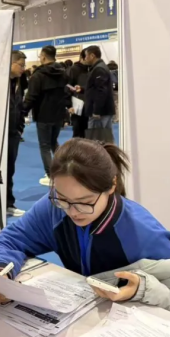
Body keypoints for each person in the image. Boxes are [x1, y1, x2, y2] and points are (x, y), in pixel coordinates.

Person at [0, 139, 170, 331]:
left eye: (85, 202)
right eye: (62, 199)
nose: (72, 212)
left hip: (140, 332)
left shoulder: (143, 236)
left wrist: (143, 289)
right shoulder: (54, 208)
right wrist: (0, 271)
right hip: (86, 322)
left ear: (111, 186)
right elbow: (10, 240)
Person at [23, 46, 68, 186]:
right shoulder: (63, 73)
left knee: (45, 146)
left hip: (43, 115)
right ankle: (63, 171)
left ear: (43, 56)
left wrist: (22, 113)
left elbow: (31, 97)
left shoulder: (38, 75)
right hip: (58, 114)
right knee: (54, 142)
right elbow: (66, 93)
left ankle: (51, 176)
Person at [75, 46, 114, 142]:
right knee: (106, 139)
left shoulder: (99, 69)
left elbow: (101, 91)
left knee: (96, 141)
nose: (85, 58)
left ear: (92, 56)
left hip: (99, 112)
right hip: (103, 111)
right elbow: (96, 88)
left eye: (86, 56)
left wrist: (96, 111)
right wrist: (83, 89)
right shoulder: (99, 67)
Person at [7, 51, 27, 217]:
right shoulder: (1, 85)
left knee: (10, 170)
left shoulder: (17, 84)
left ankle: (8, 203)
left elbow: (19, 107)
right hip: (0, 138)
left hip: (13, 134)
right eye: (20, 65)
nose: (23, 68)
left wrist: (20, 128)